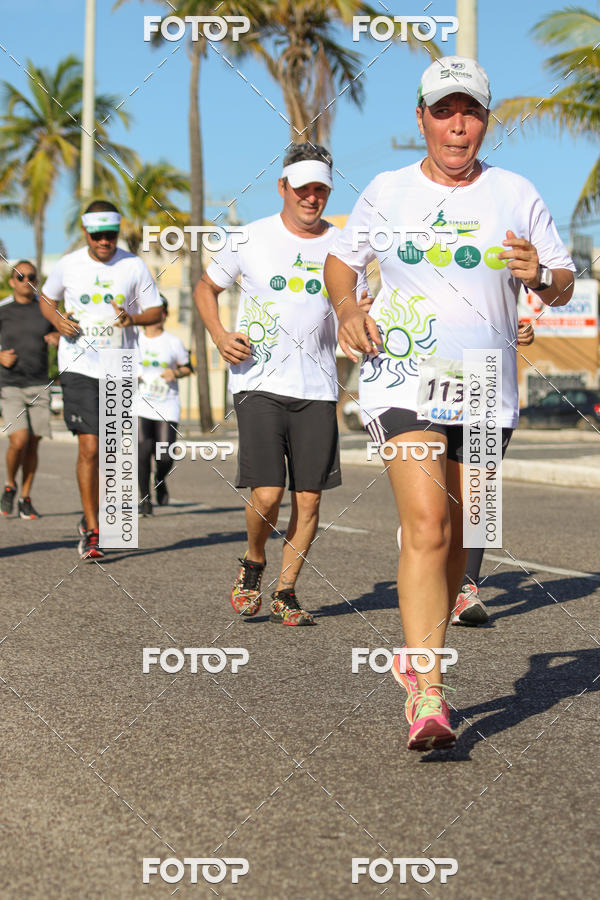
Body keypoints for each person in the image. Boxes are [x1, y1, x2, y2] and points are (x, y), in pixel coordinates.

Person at [324, 56, 575, 750]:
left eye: (470, 112)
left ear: (485, 121)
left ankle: (423, 644)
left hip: (485, 385)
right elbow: (343, 259)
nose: (457, 125)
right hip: (402, 375)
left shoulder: (515, 193)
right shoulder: (387, 189)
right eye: (444, 110)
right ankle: (429, 694)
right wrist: (347, 306)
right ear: (421, 118)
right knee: (429, 526)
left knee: (462, 543)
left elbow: (562, 281)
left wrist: (543, 276)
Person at [195, 143, 341, 625]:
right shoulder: (248, 238)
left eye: (320, 189)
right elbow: (205, 288)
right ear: (283, 187)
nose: (312, 198)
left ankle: (287, 590)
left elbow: (356, 304)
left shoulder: (341, 246)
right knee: (267, 495)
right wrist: (218, 334)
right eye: (303, 189)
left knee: (310, 497)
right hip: (258, 383)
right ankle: (254, 560)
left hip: (317, 389)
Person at [40, 200, 162, 559]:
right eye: (98, 235)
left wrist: (132, 318)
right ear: (86, 232)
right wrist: (58, 320)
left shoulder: (133, 265)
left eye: (110, 235)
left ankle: (90, 512)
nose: (104, 241)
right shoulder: (69, 264)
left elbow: (155, 308)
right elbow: (46, 298)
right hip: (78, 365)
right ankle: (94, 531)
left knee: (115, 453)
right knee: (90, 448)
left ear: (117, 233)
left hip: (119, 365)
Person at [451, 319, 535, 625]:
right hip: (436, 367)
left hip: (486, 374)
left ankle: (465, 590)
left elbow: (551, 288)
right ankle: (422, 533)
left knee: (478, 492)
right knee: (440, 496)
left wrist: (516, 329)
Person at [0, 260, 59, 519]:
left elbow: (63, 332)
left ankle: (25, 497)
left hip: (39, 384)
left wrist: (57, 337)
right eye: (21, 276)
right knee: (19, 439)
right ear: (12, 281)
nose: (27, 280)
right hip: (10, 384)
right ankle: (10, 484)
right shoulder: (2, 309)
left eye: (32, 276)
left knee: (33, 444)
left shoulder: (45, 311)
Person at [135, 297, 192, 516]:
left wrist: (175, 372)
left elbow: (187, 368)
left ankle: (160, 478)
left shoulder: (173, 342)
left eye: (160, 311)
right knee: (142, 451)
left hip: (167, 404)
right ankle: (145, 499)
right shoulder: (134, 341)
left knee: (165, 454)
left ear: (164, 315)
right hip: (140, 403)